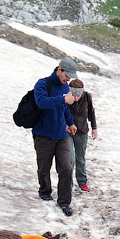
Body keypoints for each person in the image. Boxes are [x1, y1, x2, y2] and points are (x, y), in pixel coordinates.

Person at [32, 57, 78, 217]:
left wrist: (70, 123)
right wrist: (62, 99)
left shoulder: (65, 86)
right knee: (44, 168)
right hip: (43, 134)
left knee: (66, 167)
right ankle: (45, 191)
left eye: (70, 76)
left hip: (61, 135)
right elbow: (41, 102)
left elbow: (64, 108)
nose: (68, 79)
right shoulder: (43, 84)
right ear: (59, 70)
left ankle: (64, 202)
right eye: (67, 75)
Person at [67, 79, 97, 192]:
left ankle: (82, 181)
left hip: (82, 132)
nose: (75, 98)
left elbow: (91, 112)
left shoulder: (87, 96)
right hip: (68, 132)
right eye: (73, 95)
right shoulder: (66, 98)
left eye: (78, 95)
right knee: (70, 160)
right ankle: (67, 184)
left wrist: (94, 127)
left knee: (80, 158)